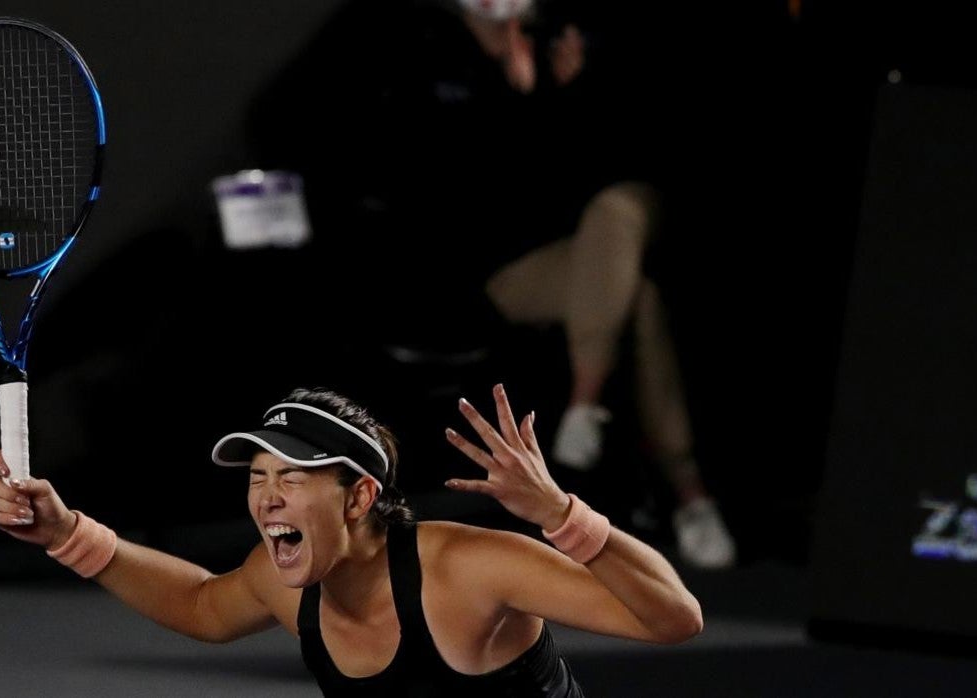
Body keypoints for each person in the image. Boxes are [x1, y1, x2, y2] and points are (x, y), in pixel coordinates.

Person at [243, 0, 736, 569]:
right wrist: (515, 99)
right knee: (636, 297)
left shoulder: (572, 45)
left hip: (602, 236)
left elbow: (600, 172)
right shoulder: (419, 51)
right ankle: (688, 494)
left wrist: (565, 97)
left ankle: (585, 406)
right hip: (495, 270)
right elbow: (468, 191)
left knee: (618, 219)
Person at [0, 384, 702, 695]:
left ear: (359, 496)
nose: (266, 497)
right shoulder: (284, 575)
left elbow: (672, 620)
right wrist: (66, 533)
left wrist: (562, 516)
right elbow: (203, 607)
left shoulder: (469, 567)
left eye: (291, 479)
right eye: (257, 476)